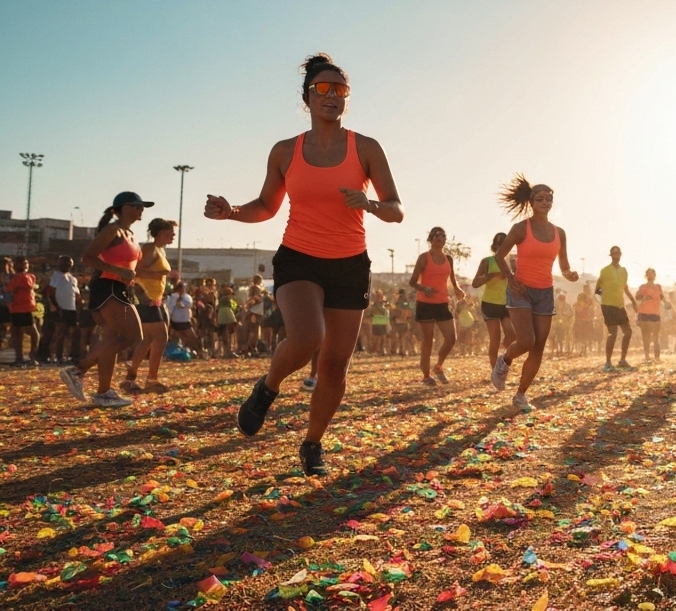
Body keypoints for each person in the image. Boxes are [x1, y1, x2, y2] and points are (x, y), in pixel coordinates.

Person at [207, 53, 404, 476]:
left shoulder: (365, 148)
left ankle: (312, 443)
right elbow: (265, 206)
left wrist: (369, 204)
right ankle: (267, 389)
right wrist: (231, 211)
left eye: (340, 90)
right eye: (323, 89)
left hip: (350, 263)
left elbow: (396, 209)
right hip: (299, 258)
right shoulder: (285, 151)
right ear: (307, 98)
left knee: (335, 363)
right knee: (308, 335)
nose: (332, 96)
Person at [490, 176, 579, 411]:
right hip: (520, 290)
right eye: (540, 198)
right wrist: (511, 278)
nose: (545, 201)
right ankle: (505, 360)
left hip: (545, 292)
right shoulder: (521, 228)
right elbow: (500, 256)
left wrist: (569, 274)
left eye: (549, 198)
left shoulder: (559, 232)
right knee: (527, 340)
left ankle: (520, 395)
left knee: (539, 346)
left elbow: (564, 265)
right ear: (531, 202)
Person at [60, 192, 154, 407]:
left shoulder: (130, 233)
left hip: (121, 288)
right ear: (121, 208)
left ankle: (103, 393)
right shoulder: (113, 229)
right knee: (133, 335)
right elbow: (88, 257)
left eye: (142, 207)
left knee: (112, 339)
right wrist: (117, 271)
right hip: (108, 287)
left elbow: (131, 267)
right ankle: (78, 370)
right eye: (136, 206)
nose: (141, 210)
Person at [122, 218, 176, 394]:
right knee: (160, 338)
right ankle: (151, 380)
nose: (173, 235)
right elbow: (135, 271)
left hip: (155, 299)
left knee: (147, 340)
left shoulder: (159, 250)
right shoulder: (150, 249)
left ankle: (130, 379)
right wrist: (160, 273)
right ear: (161, 233)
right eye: (170, 232)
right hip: (146, 299)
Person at [409, 226, 466, 385]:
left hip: (442, 302)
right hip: (425, 303)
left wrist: (457, 289)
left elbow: (452, 278)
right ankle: (426, 375)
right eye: (436, 235)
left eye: (443, 236)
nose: (440, 238)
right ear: (431, 239)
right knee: (428, 340)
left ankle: (438, 366)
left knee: (451, 338)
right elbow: (412, 282)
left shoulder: (448, 258)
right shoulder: (424, 258)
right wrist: (424, 288)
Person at [472, 233, 516, 375]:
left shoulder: (513, 262)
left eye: (505, 243)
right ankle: (495, 373)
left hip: (507, 304)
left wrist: (511, 276)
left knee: (512, 334)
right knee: (494, 339)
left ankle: (502, 356)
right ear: (494, 246)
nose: (502, 246)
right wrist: (491, 275)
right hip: (490, 303)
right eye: (499, 243)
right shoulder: (487, 261)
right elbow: (475, 283)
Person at [596, 246, 636, 369]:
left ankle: (622, 359)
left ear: (620, 255)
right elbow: (598, 289)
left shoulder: (624, 271)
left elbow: (625, 287)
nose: (616, 256)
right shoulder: (605, 270)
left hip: (619, 305)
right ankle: (608, 362)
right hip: (608, 305)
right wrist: (604, 298)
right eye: (614, 254)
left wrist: (633, 301)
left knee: (628, 331)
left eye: (617, 254)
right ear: (611, 255)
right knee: (613, 333)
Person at [6, 257, 41, 367]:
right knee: (19, 333)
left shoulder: (27, 276)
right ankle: (22, 357)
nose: (25, 265)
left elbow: (9, 289)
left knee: (30, 332)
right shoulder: (20, 277)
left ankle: (29, 356)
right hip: (17, 308)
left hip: (25, 308)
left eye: (26, 263)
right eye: (22, 263)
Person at [46, 256, 81, 364]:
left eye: (69, 263)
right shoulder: (56, 276)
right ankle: (53, 356)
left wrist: (79, 306)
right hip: (60, 308)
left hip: (71, 309)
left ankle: (64, 355)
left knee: (69, 334)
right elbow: (50, 292)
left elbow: (77, 295)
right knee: (58, 333)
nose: (67, 265)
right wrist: (56, 306)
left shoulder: (73, 278)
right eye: (65, 263)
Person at [636, 268, 665, 360]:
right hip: (644, 313)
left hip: (655, 313)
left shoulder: (658, 287)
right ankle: (647, 355)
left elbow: (662, 298)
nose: (650, 275)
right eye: (648, 274)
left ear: (655, 276)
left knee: (656, 336)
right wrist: (644, 297)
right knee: (646, 336)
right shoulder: (642, 287)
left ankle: (657, 356)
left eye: (652, 274)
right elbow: (637, 297)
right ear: (646, 275)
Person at [166, 281, 200, 357]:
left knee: (184, 337)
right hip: (182, 321)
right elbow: (185, 305)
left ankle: (189, 351)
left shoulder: (185, 297)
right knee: (192, 338)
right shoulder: (175, 297)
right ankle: (193, 351)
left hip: (178, 320)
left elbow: (186, 305)